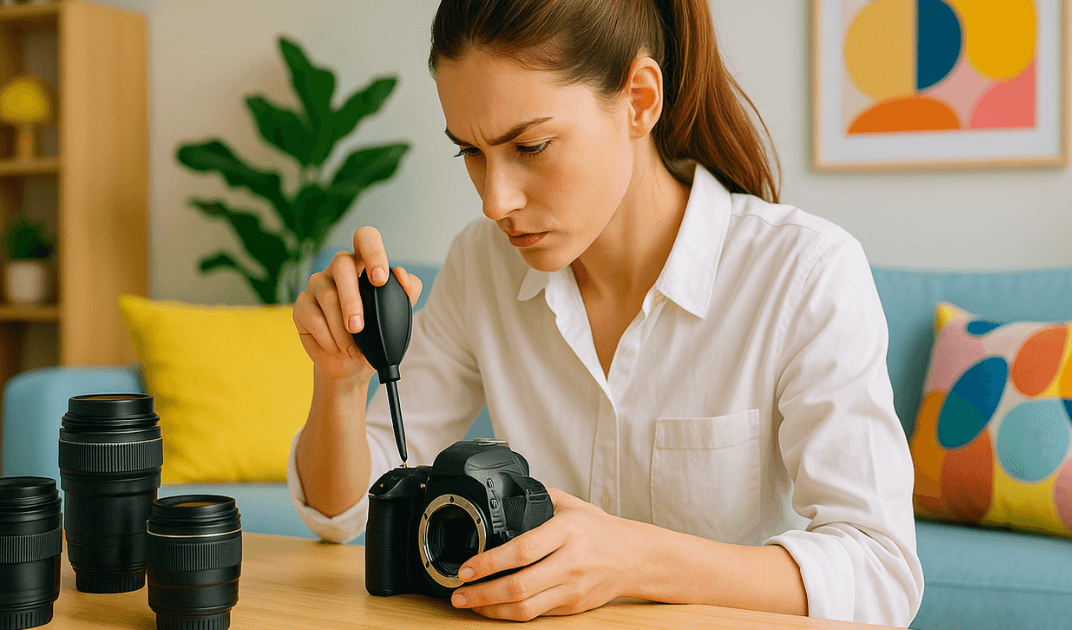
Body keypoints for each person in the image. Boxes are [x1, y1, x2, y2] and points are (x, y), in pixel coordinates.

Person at [289, 0, 923, 625]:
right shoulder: (481, 265)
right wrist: (340, 381)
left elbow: (881, 571)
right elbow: (345, 513)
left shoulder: (804, 274)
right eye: (470, 153)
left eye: (531, 146)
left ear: (640, 100)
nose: (495, 200)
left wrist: (635, 559)